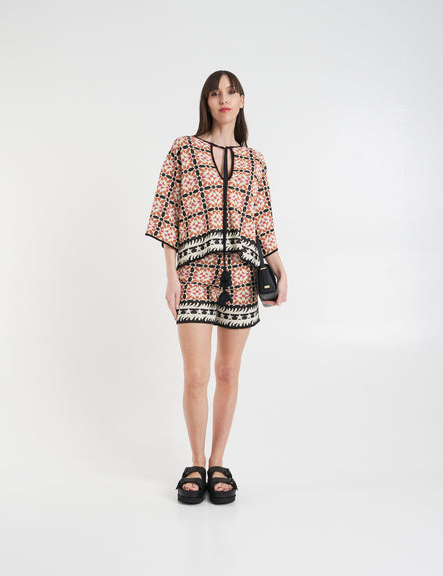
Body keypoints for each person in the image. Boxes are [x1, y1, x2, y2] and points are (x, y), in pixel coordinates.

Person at [145, 70, 287, 504]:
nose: (223, 99)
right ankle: (195, 462)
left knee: (227, 372)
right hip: (194, 273)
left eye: (230, 92)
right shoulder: (183, 149)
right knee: (195, 375)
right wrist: (170, 275)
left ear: (241, 100)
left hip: (241, 276)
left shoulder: (255, 160)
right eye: (214, 93)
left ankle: (218, 462)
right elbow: (167, 211)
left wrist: (278, 266)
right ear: (206, 102)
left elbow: (262, 218)